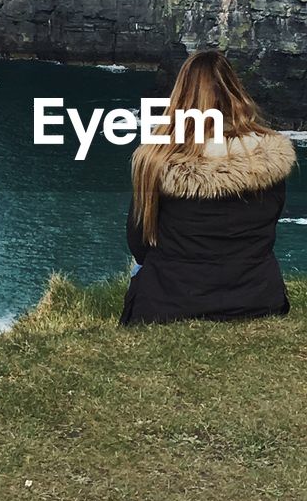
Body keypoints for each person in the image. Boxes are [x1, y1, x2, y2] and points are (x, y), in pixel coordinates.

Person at [120, 49, 297, 326]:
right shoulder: (269, 158)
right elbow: (269, 227)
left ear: (179, 98)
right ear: (235, 94)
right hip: (257, 298)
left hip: (169, 302)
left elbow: (139, 243)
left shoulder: (156, 160)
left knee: (140, 267)